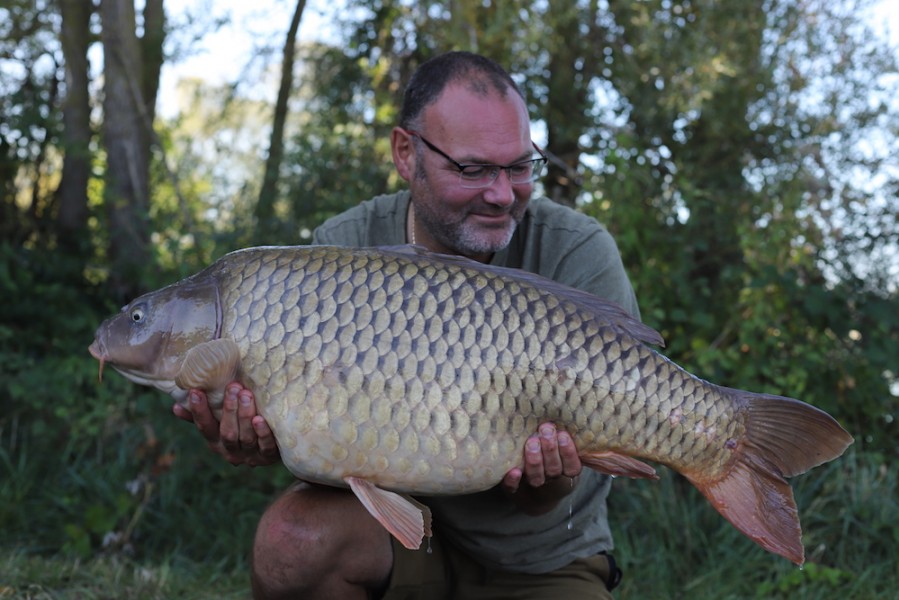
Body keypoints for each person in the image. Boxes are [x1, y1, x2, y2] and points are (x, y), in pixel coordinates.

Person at [175, 51, 640, 599]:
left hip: (542, 561)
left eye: (518, 167)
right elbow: (323, 443)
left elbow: (557, 491)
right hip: (394, 542)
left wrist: (549, 482)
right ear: (406, 152)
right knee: (290, 544)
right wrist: (259, 443)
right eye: (473, 169)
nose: (500, 194)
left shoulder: (577, 253)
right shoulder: (338, 254)